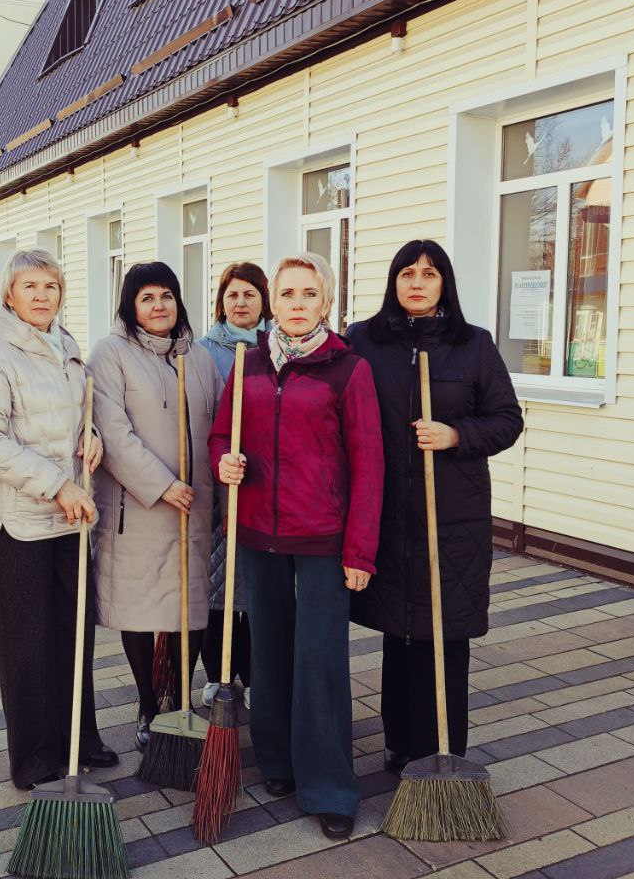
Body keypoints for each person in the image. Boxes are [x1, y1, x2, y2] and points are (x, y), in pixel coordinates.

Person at [211, 251, 383, 840]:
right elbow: (220, 433)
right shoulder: (250, 364)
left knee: (320, 664)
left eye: (308, 294)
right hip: (259, 536)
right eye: (287, 294)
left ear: (326, 303)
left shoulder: (347, 370)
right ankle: (279, 763)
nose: (296, 305)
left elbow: (369, 464)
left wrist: (360, 550)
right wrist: (223, 462)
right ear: (273, 302)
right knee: (270, 656)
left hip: (322, 542)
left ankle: (330, 786)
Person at [346, 239, 523, 772]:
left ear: (445, 282)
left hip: (452, 516)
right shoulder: (363, 341)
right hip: (390, 515)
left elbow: (507, 420)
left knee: (444, 637)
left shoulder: (472, 345)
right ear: (393, 281)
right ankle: (400, 744)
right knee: (399, 636)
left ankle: (444, 749)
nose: (417, 282)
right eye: (406, 273)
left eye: (429, 273)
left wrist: (454, 435)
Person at [0, 248, 119, 788]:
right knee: (29, 643)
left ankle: (78, 738)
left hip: (67, 514)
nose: (40, 296)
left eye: (49, 286)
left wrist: (90, 435)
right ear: (9, 294)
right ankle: (33, 758)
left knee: (74, 633)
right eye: (29, 287)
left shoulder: (66, 345)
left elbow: (78, 415)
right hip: (17, 521)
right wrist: (57, 485)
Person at [88, 261, 221, 750]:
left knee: (191, 612)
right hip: (139, 510)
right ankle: (148, 703)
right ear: (131, 305)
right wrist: (163, 485)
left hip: (197, 507)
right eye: (147, 298)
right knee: (143, 611)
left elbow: (219, 427)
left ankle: (177, 700)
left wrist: (220, 497)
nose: (159, 306)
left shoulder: (198, 355)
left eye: (166, 296)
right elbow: (113, 431)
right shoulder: (111, 353)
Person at [195, 262, 272, 708]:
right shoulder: (202, 352)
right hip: (216, 482)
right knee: (216, 588)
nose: (240, 303)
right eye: (232, 295)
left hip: (261, 484)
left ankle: (258, 674)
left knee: (257, 588)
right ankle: (220, 672)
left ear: (263, 299)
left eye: (249, 294)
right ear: (221, 302)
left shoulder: (277, 348)